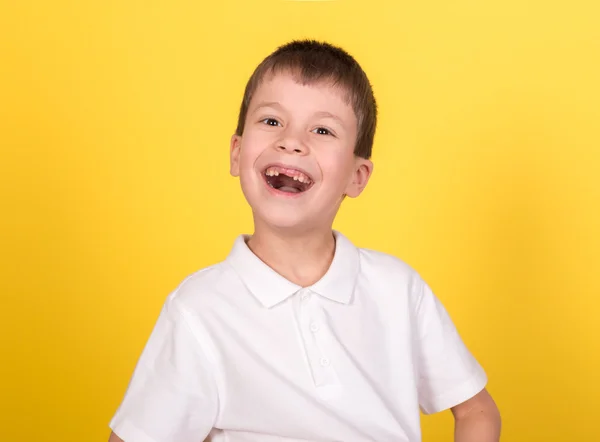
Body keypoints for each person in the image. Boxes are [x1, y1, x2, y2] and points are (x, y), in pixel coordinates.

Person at [108, 40, 501, 442]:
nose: (292, 142)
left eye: (322, 130)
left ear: (357, 176)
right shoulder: (199, 311)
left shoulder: (397, 289)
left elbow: (476, 410)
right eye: (272, 122)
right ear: (236, 152)